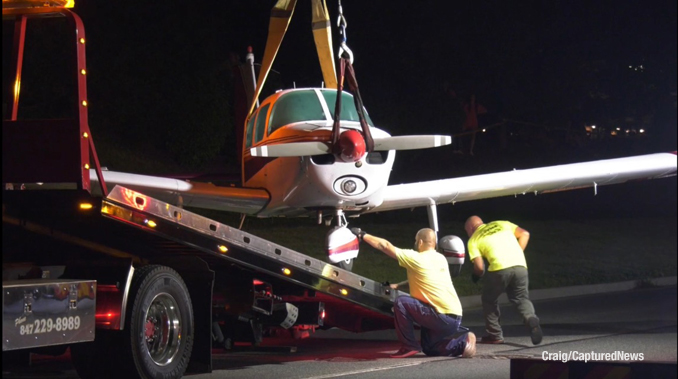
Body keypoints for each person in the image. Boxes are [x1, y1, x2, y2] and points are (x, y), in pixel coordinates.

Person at [351, 227, 476, 358]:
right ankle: (463, 342)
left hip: (440, 316)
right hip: (454, 318)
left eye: (416, 241)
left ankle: (408, 346)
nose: (415, 243)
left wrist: (362, 235)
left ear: (420, 242)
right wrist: (397, 286)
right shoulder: (441, 259)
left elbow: (385, 245)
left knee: (401, 303)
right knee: (430, 348)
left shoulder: (416, 258)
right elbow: (424, 279)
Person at [464, 216, 542, 345]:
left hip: (499, 269)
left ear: (470, 228)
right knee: (521, 298)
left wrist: (476, 275)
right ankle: (530, 318)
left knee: (489, 300)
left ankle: (495, 335)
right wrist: (517, 252)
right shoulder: (502, 223)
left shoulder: (474, 239)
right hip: (520, 265)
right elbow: (525, 234)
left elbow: (479, 267)